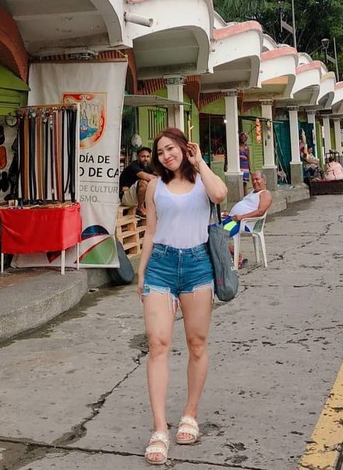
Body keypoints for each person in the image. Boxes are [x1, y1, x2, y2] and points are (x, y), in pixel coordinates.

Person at [138, 127, 228, 465]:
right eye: (160, 152)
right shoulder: (154, 187)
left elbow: (220, 194)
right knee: (158, 344)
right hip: (161, 265)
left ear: (183, 148)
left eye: (170, 149)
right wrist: (142, 271)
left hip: (197, 266)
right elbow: (150, 232)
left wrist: (200, 161)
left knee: (197, 343)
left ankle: (190, 414)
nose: (165, 156)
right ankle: (160, 428)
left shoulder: (202, 181)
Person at [221, 171, 273, 264]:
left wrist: (241, 217)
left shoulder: (265, 193)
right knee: (212, 231)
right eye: (253, 180)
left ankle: (236, 257)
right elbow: (246, 207)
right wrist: (230, 214)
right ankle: (234, 255)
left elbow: (260, 212)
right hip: (233, 220)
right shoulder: (252, 193)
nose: (254, 182)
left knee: (219, 235)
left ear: (264, 181)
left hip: (242, 223)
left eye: (257, 179)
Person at [119, 146, 155, 217]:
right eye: (143, 156)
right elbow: (148, 177)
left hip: (137, 197)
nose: (146, 159)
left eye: (148, 156)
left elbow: (160, 174)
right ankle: (140, 209)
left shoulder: (148, 166)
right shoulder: (133, 166)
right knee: (143, 182)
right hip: (126, 197)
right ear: (137, 157)